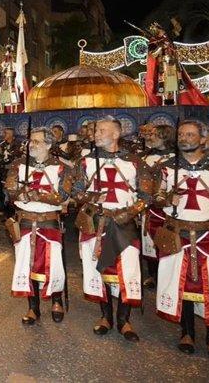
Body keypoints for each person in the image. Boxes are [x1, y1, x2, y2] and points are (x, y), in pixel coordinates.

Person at [72, 116, 152, 342]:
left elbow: (147, 195)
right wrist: (92, 196)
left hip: (124, 223)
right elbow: (75, 191)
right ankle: (105, 316)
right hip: (96, 222)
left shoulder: (135, 161)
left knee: (127, 271)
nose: (96, 134)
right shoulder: (85, 162)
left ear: (116, 134)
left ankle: (124, 320)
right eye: (96, 130)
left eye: (101, 130)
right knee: (100, 269)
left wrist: (130, 211)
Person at [154, 120, 209, 359]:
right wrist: (167, 199)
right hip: (178, 233)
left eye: (190, 134)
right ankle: (187, 332)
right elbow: (155, 195)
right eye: (181, 134)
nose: (184, 138)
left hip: (208, 234)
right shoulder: (166, 166)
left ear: (202, 139)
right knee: (181, 285)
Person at [5, 127, 69, 325]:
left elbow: (64, 195)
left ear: (49, 144)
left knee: (54, 263)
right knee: (26, 263)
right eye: (31, 141)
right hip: (25, 220)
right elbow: (9, 189)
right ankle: (33, 308)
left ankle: (56, 300)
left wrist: (38, 195)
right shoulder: (18, 165)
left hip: (48, 220)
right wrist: (18, 193)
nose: (31, 145)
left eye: (37, 142)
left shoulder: (61, 167)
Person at [140, 124, 175, 289]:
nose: (150, 137)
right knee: (149, 243)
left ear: (165, 137)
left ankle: (168, 276)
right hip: (149, 208)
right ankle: (153, 275)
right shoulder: (145, 156)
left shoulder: (176, 158)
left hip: (167, 209)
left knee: (167, 243)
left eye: (154, 135)